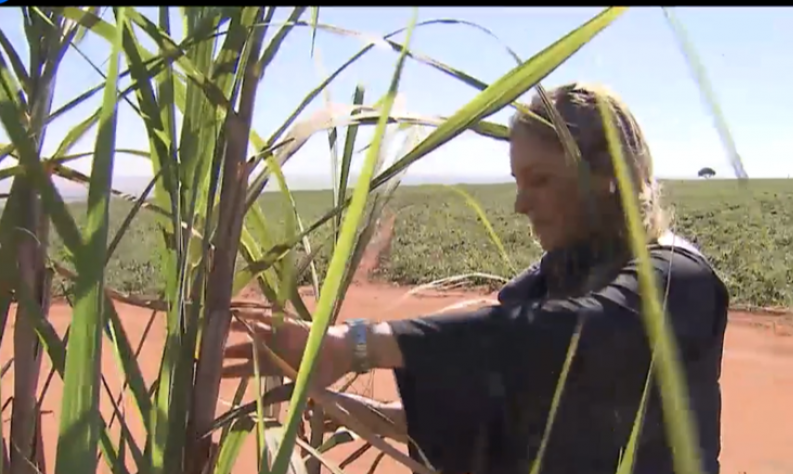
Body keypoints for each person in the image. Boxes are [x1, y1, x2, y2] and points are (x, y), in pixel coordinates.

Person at [223, 82, 730, 474]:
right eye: (517, 181)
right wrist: (334, 403)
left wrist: (358, 345)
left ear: (606, 177)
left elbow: (567, 336)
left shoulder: (675, 280)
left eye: (541, 180)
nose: (521, 203)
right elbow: (488, 404)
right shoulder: (549, 282)